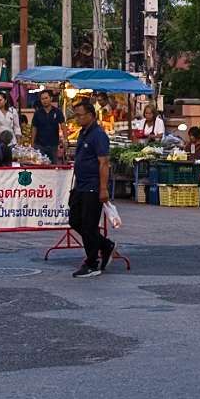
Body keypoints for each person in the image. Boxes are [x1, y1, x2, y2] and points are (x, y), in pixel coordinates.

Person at [67, 98, 113, 278]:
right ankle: (105, 245)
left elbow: (104, 162)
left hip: (93, 186)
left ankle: (92, 262)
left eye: (80, 115)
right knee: (75, 220)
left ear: (91, 115)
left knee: (89, 225)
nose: (78, 119)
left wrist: (103, 188)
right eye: (76, 116)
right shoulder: (83, 133)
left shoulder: (98, 135)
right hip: (80, 185)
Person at [31, 91, 65, 161]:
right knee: (40, 165)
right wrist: (32, 143)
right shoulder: (37, 113)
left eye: (46, 98)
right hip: (40, 145)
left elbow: (63, 126)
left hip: (54, 146)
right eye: (42, 99)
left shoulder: (57, 112)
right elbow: (34, 128)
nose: (44, 101)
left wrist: (66, 140)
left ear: (51, 98)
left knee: (54, 165)